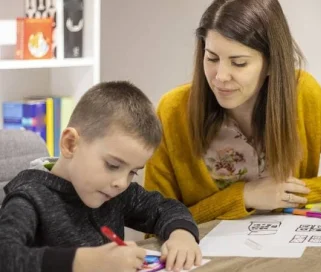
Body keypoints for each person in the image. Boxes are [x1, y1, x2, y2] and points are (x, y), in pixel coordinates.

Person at [144, 0, 321, 225]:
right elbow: (154, 220)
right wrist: (245, 196)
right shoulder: (172, 110)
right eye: (212, 58)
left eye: (239, 63)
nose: (220, 76)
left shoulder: (303, 93)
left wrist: (285, 195)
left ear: (271, 63)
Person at [0, 81, 201, 272]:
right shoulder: (29, 198)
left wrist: (181, 235)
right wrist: (84, 263)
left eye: (133, 172)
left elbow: (165, 208)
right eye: (113, 165)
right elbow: (6, 256)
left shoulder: (116, 192)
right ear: (71, 144)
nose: (122, 182)